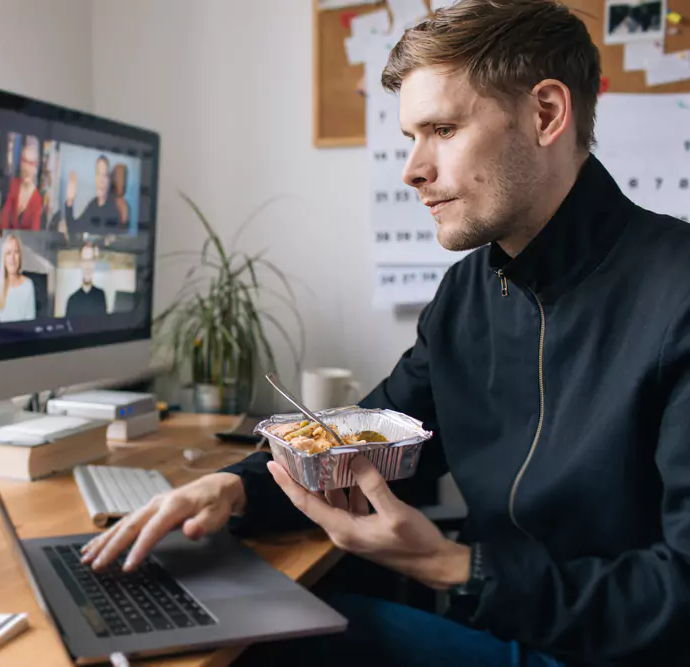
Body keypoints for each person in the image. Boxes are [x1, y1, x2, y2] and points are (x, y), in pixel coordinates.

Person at [79, 1, 690, 665]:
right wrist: (233, 488)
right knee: (234, 625)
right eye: (411, 137)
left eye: (443, 129)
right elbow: (367, 434)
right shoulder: (468, 294)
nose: (413, 169)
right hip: (506, 626)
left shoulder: (676, 289)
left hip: (610, 653)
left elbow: (680, 596)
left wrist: (458, 567)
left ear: (545, 114)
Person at [0, 234, 36, 323]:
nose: (12, 258)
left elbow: (30, 325)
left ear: (20, 257)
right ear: (4, 259)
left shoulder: (28, 285)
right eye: (8, 253)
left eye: (16, 252)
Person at [63, 155, 123, 239]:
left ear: (109, 181)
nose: (101, 181)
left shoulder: (114, 213)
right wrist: (70, 201)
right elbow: (74, 229)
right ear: (95, 178)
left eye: (104, 175)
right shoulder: (93, 204)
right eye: (98, 174)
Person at [0, 135, 42, 230]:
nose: (27, 167)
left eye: (31, 163)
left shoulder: (37, 199)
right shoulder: (14, 184)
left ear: (36, 168)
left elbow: (34, 234)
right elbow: (5, 217)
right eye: (24, 161)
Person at [65, 242, 107, 318]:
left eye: (90, 261)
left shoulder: (100, 296)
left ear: (94, 264)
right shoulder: (72, 301)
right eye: (84, 261)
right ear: (80, 264)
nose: (87, 266)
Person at [112, 163, 130, 228]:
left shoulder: (126, 206)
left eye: (122, 178)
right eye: (117, 178)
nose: (120, 182)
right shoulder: (104, 201)